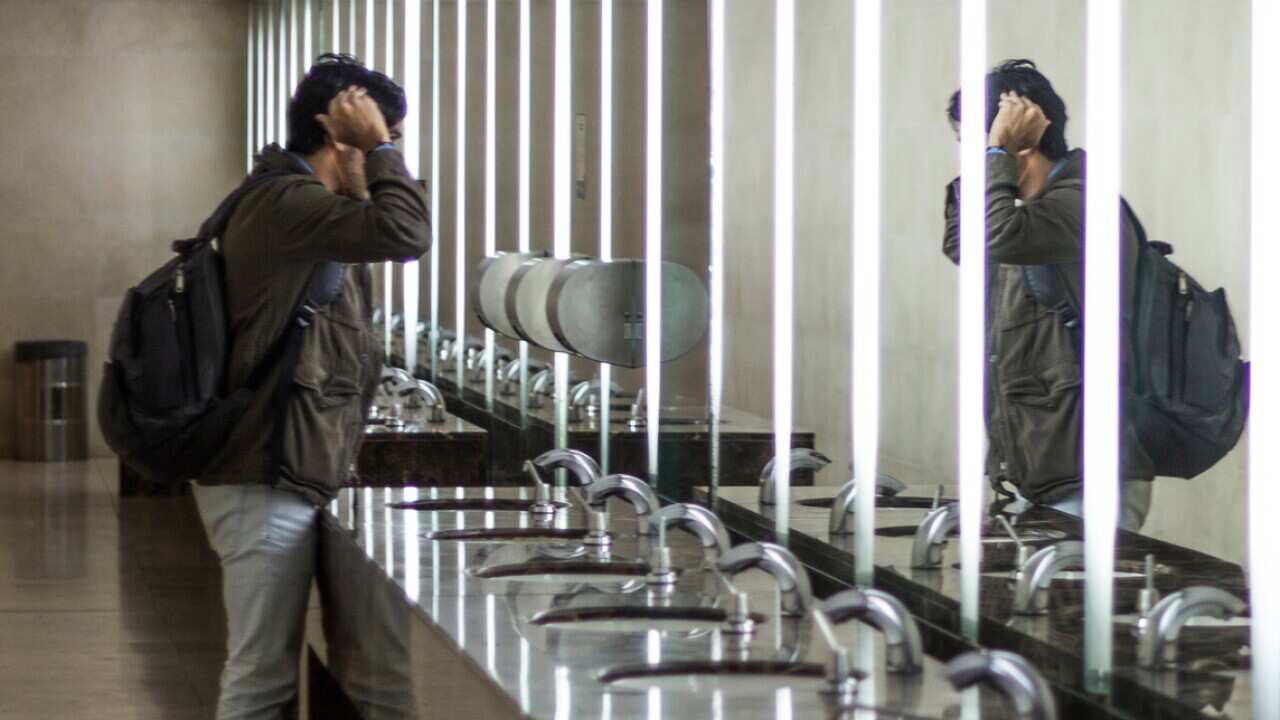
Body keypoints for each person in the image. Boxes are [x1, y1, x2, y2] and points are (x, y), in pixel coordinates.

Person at [194, 54, 431, 719]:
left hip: (290, 466)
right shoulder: (286, 203)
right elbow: (408, 233)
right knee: (262, 675)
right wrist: (378, 147)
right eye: (393, 135)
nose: (397, 154)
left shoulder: (303, 204)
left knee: (293, 671)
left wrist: (364, 173)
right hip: (262, 474)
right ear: (340, 135)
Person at [941, 59, 1153, 531]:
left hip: (1087, 477)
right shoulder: (1027, 215)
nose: (971, 159)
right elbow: (963, 246)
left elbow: (992, 236)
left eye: (972, 144)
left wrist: (998, 149)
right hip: (1048, 472)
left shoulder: (1081, 206)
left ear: (1019, 139)